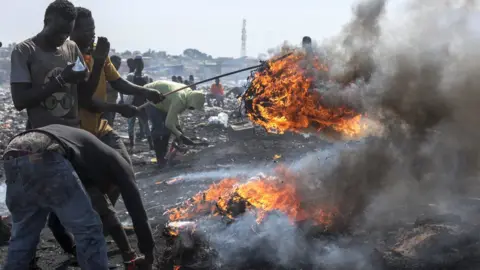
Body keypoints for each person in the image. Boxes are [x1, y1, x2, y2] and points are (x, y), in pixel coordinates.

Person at [48, 7, 162, 266]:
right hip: (77, 138)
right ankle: (81, 240)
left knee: (125, 177)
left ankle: (140, 249)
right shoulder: (67, 58)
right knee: (71, 202)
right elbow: (87, 100)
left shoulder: (96, 53)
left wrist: (145, 91)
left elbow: (119, 82)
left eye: (93, 29)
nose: (91, 35)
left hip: (102, 131)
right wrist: (119, 108)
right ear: (71, 31)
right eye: (86, 30)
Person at [2, 125, 155, 269]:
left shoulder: (86, 157)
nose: (104, 193)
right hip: (48, 151)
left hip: (13, 154)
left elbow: (61, 213)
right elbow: (138, 214)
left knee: (23, 235)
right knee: (89, 231)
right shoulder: (119, 164)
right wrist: (148, 255)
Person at [10, 0, 89, 130]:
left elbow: (85, 83)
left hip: (73, 130)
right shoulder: (25, 51)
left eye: (67, 33)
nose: (63, 36)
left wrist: (84, 73)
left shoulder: (71, 47)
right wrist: (61, 79)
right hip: (43, 132)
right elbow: (20, 100)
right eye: (58, 31)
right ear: (47, 21)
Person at [144, 80, 205, 168]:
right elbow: (169, 123)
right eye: (192, 107)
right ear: (191, 101)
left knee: (167, 131)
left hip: (164, 100)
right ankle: (160, 159)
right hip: (151, 96)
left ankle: (164, 156)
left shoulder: (188, 93)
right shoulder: (180, 99)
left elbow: (174, 115)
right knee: (158, 129)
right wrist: (181, 136)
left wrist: (179, 131)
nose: (191, 109)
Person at [126, 56, 154, 151]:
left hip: (143, 105)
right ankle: (131, 144)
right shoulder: (130, 76)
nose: (140, 66)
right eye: (138, 64)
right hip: (132, 104)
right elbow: (124, 88)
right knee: (130, 125)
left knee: (146, 125)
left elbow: (150, 90)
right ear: (135, 65)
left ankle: (151, 145)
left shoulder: (146, 77)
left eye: (141, 64)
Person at [102, 55, 122, 126]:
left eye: (119, 64)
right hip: (105, 106)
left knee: (110, 124)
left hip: (113, 105)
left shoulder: (117, 75)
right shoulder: (104, 75)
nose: (118, 66)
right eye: (116, 64)